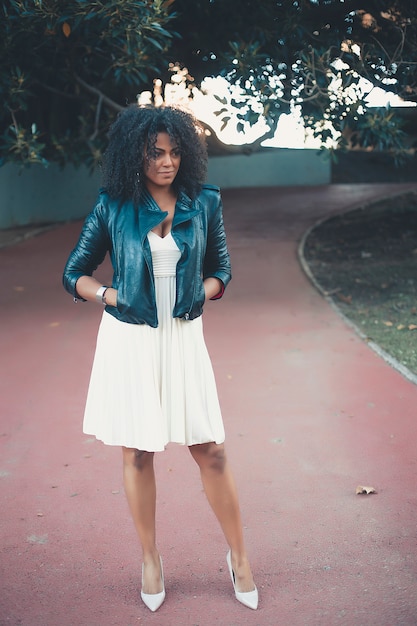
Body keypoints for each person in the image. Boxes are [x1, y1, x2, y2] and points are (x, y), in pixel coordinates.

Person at [63, 104, 258, 612]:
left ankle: (239, 556)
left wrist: (204, 289)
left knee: (210, 448)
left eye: (174, 152)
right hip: (131, 339)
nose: (167, 162)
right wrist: (109, 296)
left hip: (183, 336)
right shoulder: (112, 205)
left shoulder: (205, 201)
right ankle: (150, 558)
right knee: (137, 452)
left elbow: (223, 267)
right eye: (156, 154)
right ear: (136, 155)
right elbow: (74, 273)